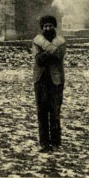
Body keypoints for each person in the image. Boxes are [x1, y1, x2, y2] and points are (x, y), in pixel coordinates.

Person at [32, 15, 66, 152]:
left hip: (56, 81)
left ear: (54, 27)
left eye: (50, 26)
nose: (47, 28)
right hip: (40, 81)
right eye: (45, 26)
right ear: (42, 28)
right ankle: (44, 143)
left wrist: (45, 49)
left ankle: (56, 143)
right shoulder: (36, 42)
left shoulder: (61, 41)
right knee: (42, 113)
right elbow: (38, 59)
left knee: (55, 113)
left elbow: (59, 56)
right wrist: (51, 50)